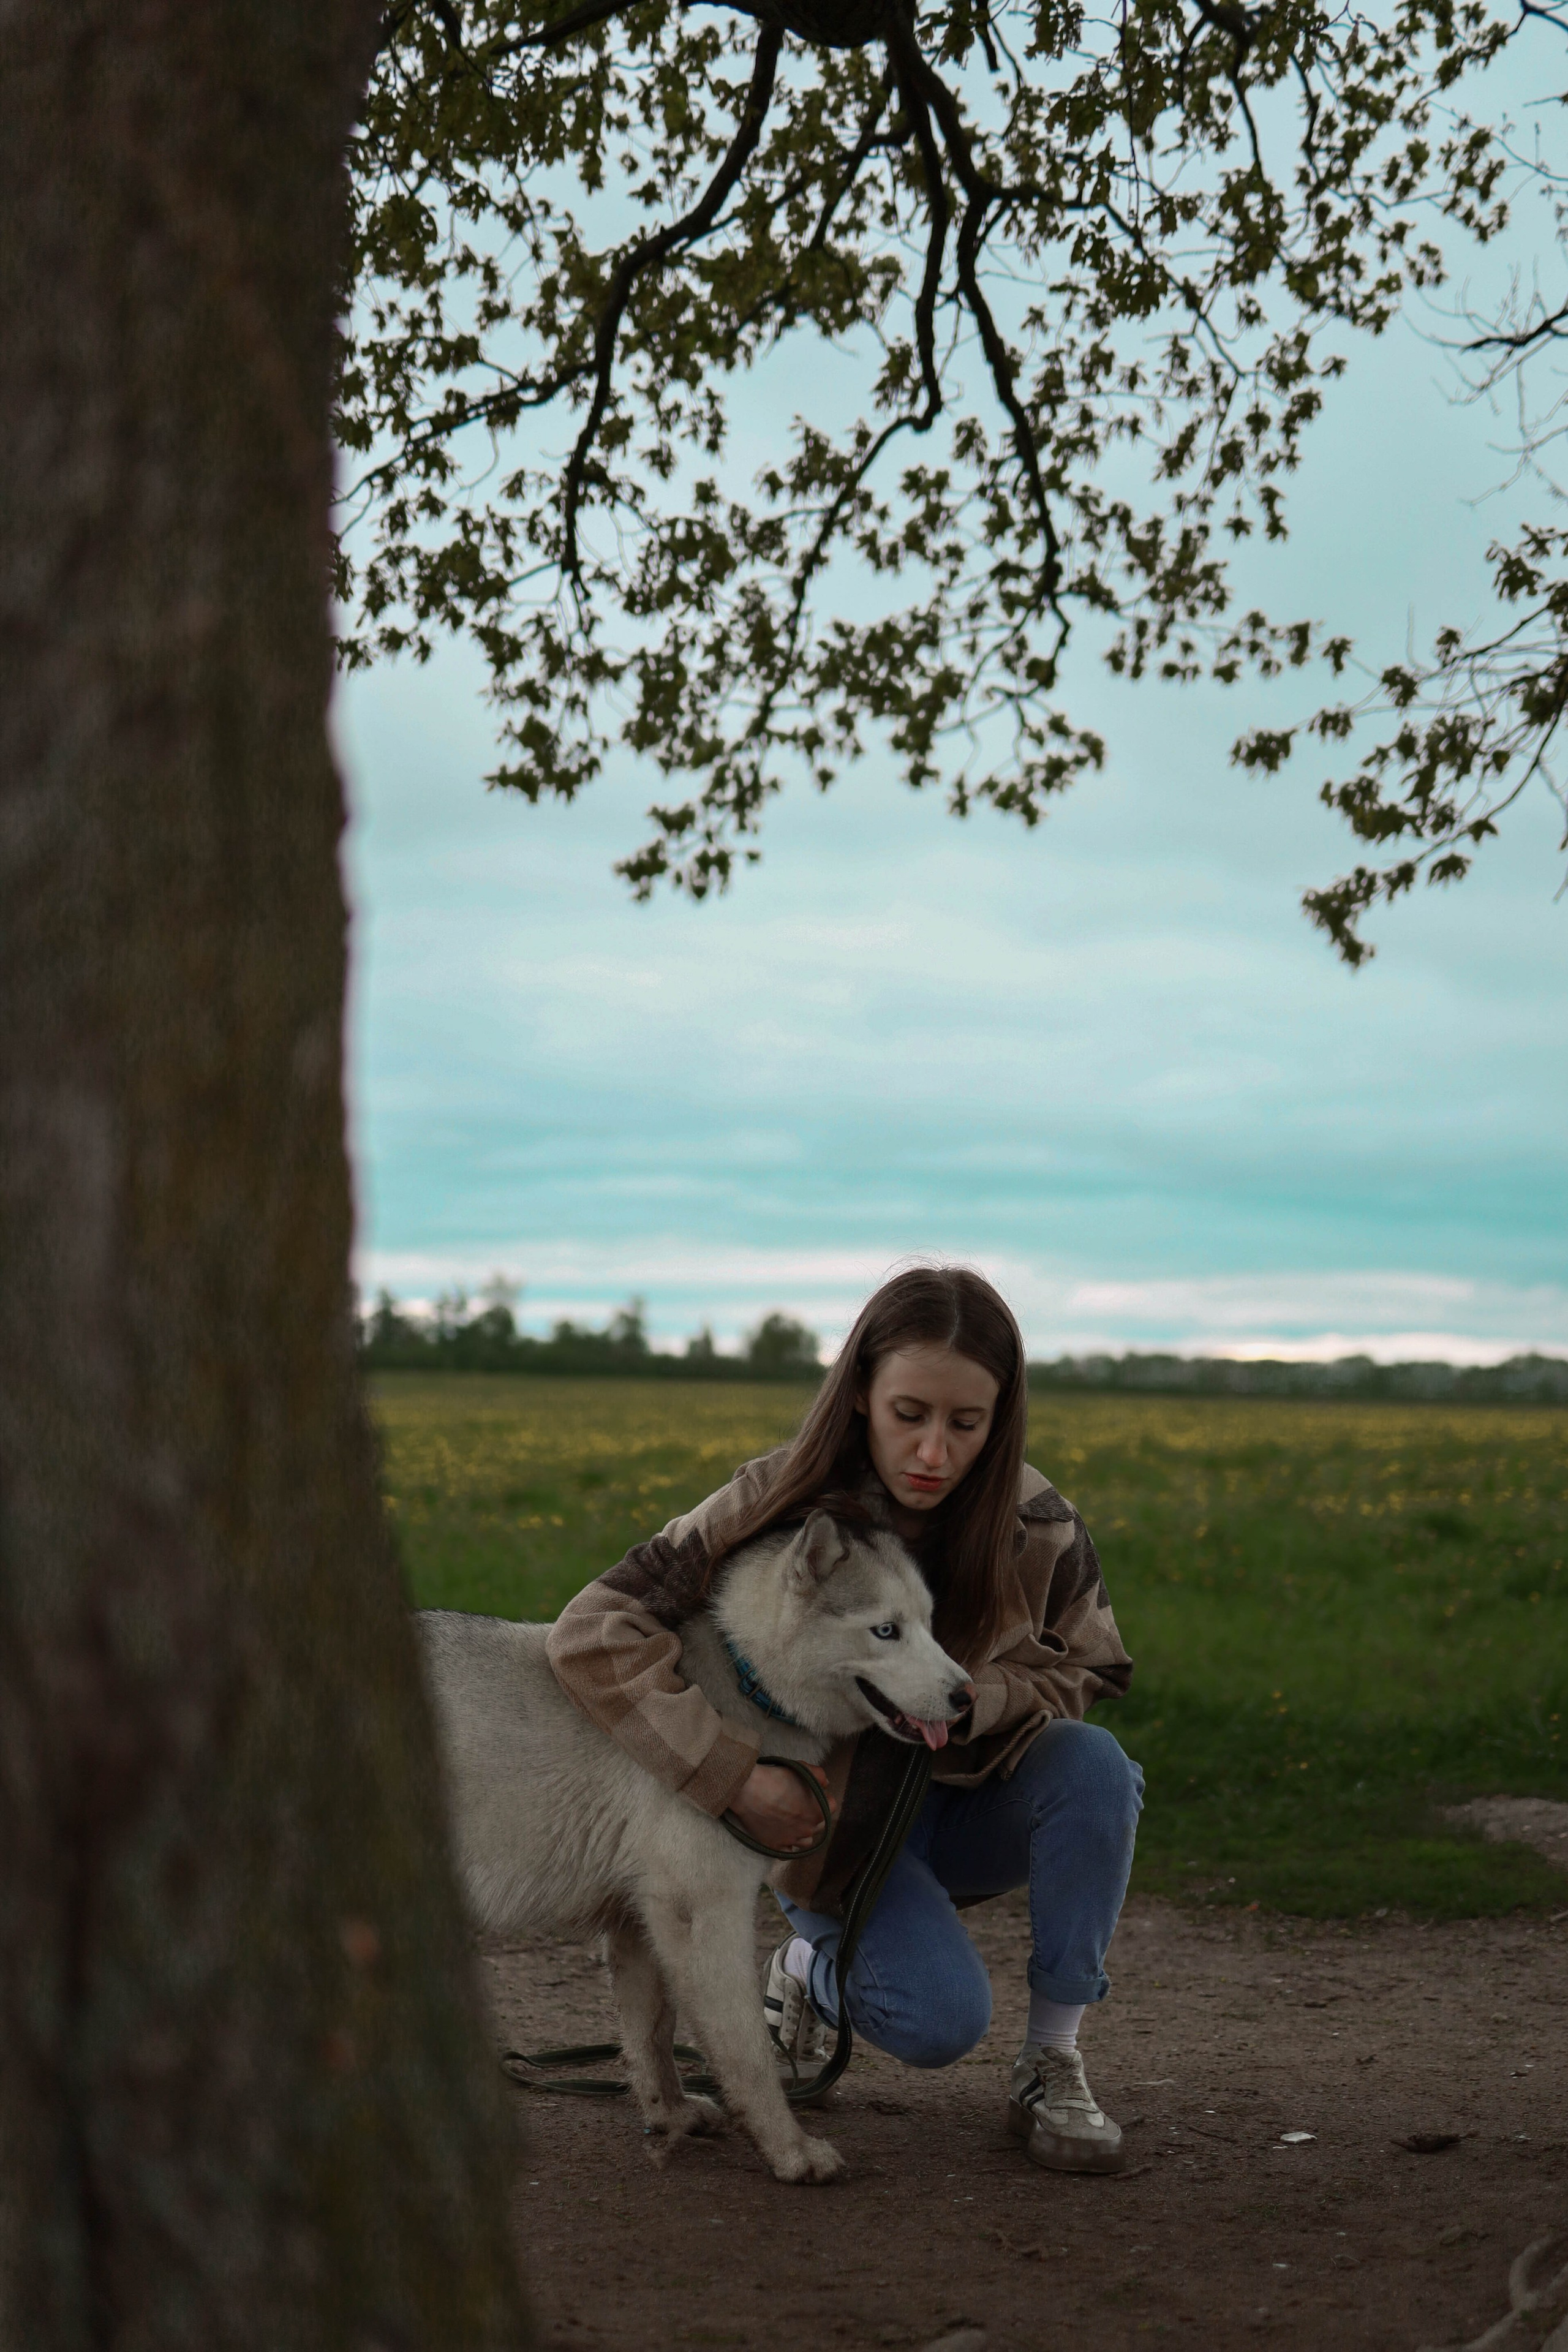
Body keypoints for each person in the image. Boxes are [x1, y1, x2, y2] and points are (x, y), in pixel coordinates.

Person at [546, 1265, 1142, 2174]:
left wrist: (989, 1699)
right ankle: (809, 1977)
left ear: (1001, 1417)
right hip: (826, 1832)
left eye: (966, 1423)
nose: (934, 1453)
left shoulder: (1038, 1521)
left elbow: (1091, 1669)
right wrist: (732, 1777)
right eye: (910, 1414)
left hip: (971, 1805)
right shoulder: (773, 1502)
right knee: (939, 2025)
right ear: (860, 1392)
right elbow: (592, 1632)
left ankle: (1053, 2059)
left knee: (1097, 1770)